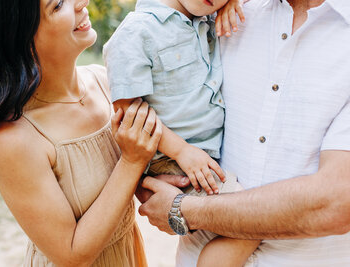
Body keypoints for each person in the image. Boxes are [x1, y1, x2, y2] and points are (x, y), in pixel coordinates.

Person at [0, 0, 164, 266]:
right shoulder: (12, 138)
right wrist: (131, 162)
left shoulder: (105, 82)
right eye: (58, 4)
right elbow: (71, 254)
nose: (82, 2)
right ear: (18, 38)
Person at [138, 0, 350, 266]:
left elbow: (336, 202)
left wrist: (183, 209)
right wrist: (155, 178)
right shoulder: (223, 13)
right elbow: (161, 104)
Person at [103, 0, 260, 266]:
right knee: (250, 223)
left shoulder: (204, 19)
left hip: (197, 156)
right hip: (173, 160)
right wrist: (182, 151)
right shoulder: (137, 31)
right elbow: (129, 112)